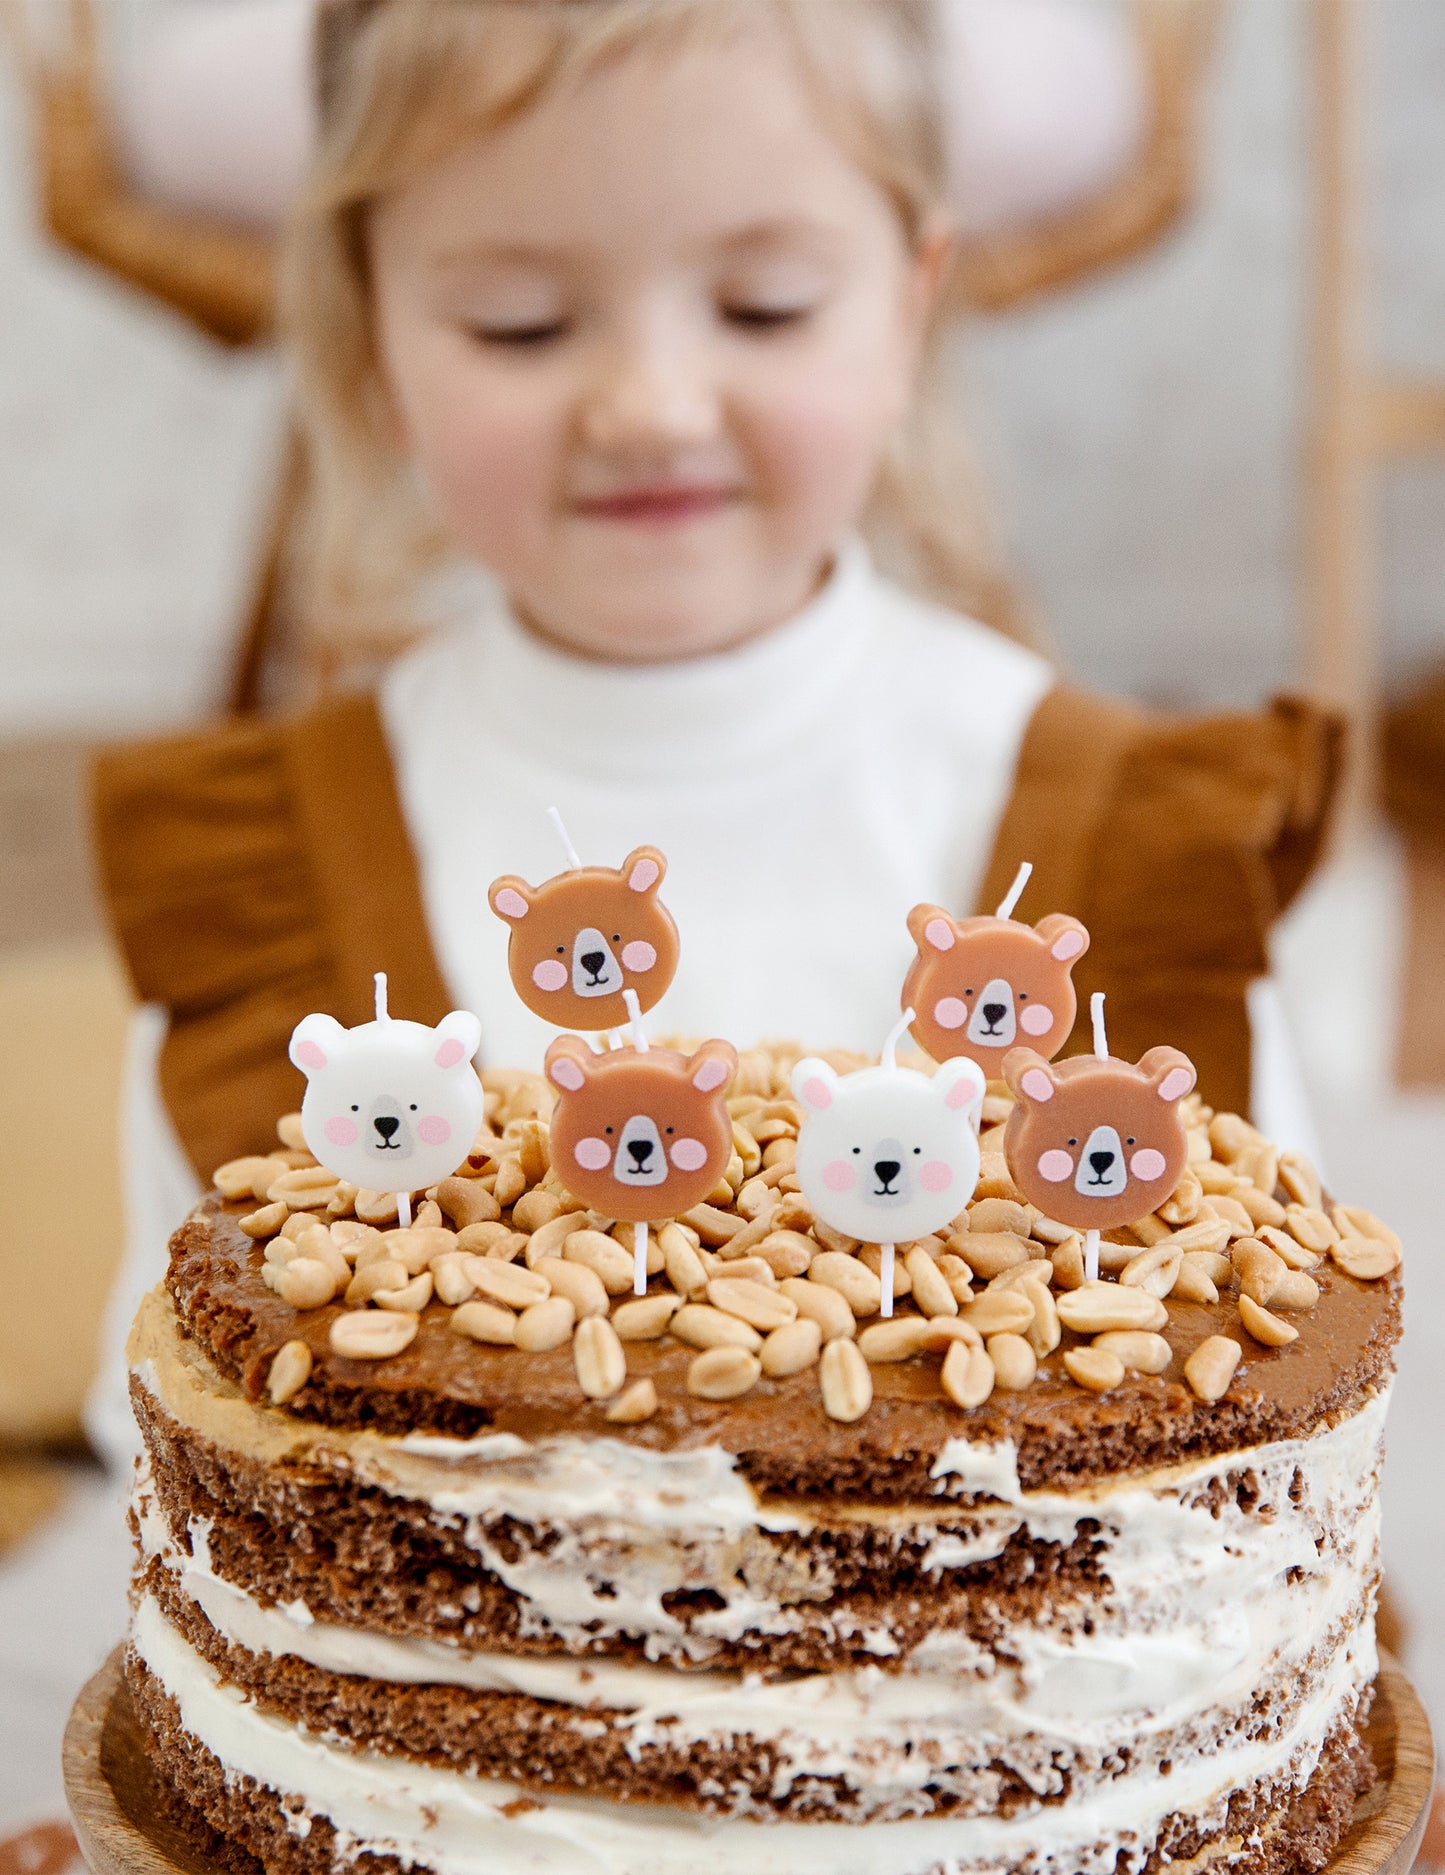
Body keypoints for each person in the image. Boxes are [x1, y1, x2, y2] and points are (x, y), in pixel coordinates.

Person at [89, 0, 1338, 1462]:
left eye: (764, 306)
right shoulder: (266, 875)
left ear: (908, 311)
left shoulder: (1138, 836)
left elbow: (1281, 1384)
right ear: (369, 339)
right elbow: (170, 1425)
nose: (651, 405)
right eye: (520, 322)